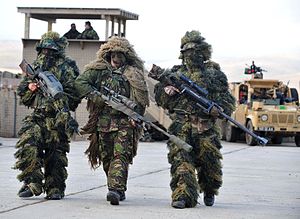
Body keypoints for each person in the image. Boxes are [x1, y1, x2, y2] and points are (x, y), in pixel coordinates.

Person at [153, 30, 235, 208]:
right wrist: (166, 92)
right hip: (181, 126)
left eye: (195, 52)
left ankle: (209, 189)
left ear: (203, 53)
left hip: (205, 127)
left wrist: (219, 109)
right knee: (181, 160)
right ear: (182, 55)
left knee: (209, 163)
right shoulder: (174, 75)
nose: (191, 56)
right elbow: (161, 99)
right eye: (187, 53)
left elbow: (227, 100)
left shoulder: (214, 75)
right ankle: (183, 196)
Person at [75, 36, 149, 205]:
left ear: (126, 57)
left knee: (120, 156)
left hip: (125, 122)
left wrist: (136, 117)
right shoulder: (99, 70)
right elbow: (80, 83)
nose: (116, 59)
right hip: (103, 122)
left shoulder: (133, 74)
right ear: (108, 54)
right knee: (106, 157)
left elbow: (141, 99)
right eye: (113, 55)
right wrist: (97, 97)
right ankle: (118, 186)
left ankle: (114, 189)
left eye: (120, 55)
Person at [14, 31, 81, 200]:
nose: (47, 53)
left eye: (51, 50)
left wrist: (60, 99)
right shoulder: (36, 66)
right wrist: (31, 88)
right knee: (28, 144)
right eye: (44, 49)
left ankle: (54, 188)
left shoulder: (66, 68)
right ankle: (32, 182)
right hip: (38, 116)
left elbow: (74, 94)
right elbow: (23, 93)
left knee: (56, 154)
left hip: (57, 117)